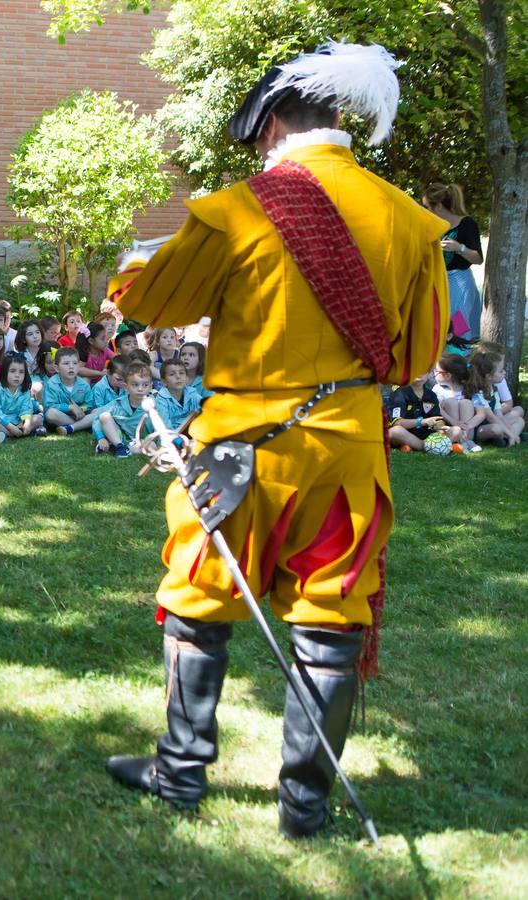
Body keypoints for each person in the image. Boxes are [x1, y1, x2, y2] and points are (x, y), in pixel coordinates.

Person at [103, 42, 449, 838]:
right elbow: (417, 356)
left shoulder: (236, 208)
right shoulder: (407, 218)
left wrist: (134, 264)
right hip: (348, 454)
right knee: (330, 624)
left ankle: (181, 775)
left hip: (239, 449)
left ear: (270, 128)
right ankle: (304, 806)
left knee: (199, 604)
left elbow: (149, 300)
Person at [422, 183, 483, 339]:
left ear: (440, 206)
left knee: (458, 330)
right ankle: (443, 361)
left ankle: (457, 360)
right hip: (439, 281)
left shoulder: (466, 224)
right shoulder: (436, 226)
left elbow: (478, 258)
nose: (425, 211)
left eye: (427, 207)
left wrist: (459, 248)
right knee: (438, 327)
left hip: (460, 283)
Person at [94, 361, 155, 457]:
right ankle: (119, 446)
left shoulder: (155, 405)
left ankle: (116, 449)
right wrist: (101, 438)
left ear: (151, 387)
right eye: (135, 385)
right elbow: (97, 417)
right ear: (126, 387)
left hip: (141, 440)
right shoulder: (118, 403)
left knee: (152, 446)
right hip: (119, 436)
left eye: (145, 385)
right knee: (104, 416)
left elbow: (164, 424)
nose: (140, 389)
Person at [0, 356, 42, 440]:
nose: (17, 375)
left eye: (21, 372)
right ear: (5, 372)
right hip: (1, 421)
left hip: (18, 421)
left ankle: (20, 431)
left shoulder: (24, 390)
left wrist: (26, 422)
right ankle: (16, 433)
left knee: (38, 418)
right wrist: (10, 427)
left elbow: (26, 409)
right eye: (12, 371)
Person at [42, 346, 95, 435]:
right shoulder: (52, 384)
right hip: (61, 418)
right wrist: (69, 408)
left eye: (75, 363)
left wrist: (80, 409)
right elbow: (49, 406)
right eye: (66, 363)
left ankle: (71, 428)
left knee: (97, 412)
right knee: (50, 414)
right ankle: (82, 426)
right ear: (57, 368)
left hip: (80, 416)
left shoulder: (84, 385)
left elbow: (90, 404)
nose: (71, 367)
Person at [153, 359, 202, 434]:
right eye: (172, 374)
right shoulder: (161, 400)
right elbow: (165, 429)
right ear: (164, 382)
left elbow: (206, 408)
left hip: (193, 434)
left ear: (186, 377)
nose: (178, 377)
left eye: (181, 373)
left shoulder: (192, 393)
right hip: (171, 439)